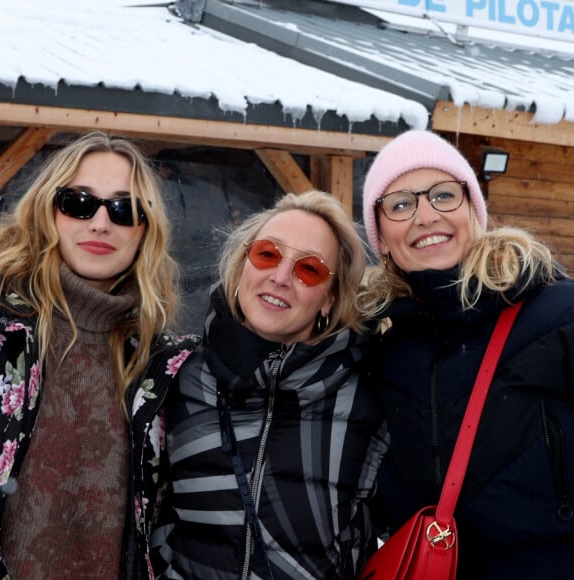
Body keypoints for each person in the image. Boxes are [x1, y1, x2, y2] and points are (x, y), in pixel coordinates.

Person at [361, 129, 574, 579]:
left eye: (443, 195)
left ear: (473, 211)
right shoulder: (382, 347)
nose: (424, 215)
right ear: (380, 237)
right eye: (400, 204)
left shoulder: (560, 315)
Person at [0, 131, 199, 578]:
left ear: (145, 230)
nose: (101, 223)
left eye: (124, 209)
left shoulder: (161, 365)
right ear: (48, 211)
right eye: (79, 203)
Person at [151, 190, 386, 579]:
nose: (280, 277)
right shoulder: (178, 377)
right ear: (244, 264)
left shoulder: (364, 396)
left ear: (328, 299)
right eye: (267, 254)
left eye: (309, 269)